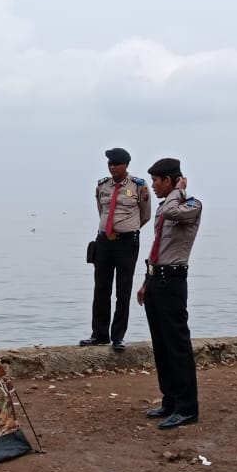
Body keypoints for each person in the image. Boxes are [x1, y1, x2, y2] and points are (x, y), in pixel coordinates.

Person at [137, 158, 203, 430]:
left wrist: (179, 189)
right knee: (161, 346)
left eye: (156, 180)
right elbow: (158, 246)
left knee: (177, 346)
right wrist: (145, 282)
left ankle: (187, 408)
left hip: (173, 281)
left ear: (170, 180)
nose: (152, 185)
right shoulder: (165, 206)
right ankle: (170, 401)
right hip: (156, 279)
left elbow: (174, 213)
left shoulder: (191, 204)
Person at [80, 147, 152, 350]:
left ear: (126, 165)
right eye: (110, 164)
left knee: (123, 289)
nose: (112, 167)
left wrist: (127, 228)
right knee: (101, 288)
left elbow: (145, 215)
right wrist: (109, 229)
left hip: (127, 242)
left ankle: (118, 336)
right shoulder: (102, 185)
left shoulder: (138, 186)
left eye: (116, 164)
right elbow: (102, 210)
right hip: (104, 241)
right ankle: (99, 334)